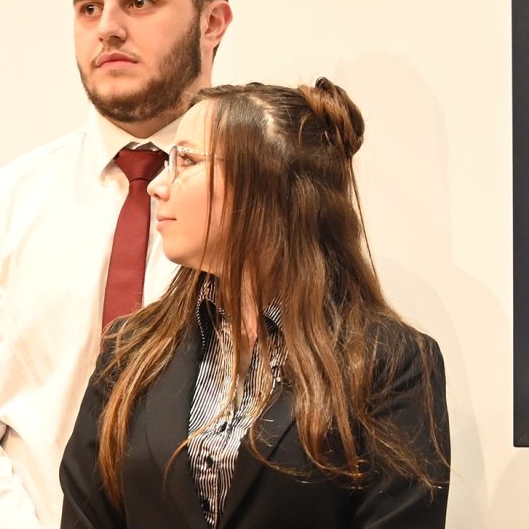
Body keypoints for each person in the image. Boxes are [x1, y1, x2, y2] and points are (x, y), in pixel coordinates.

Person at [0, 0, 234, 529]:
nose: (107, 28)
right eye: (89, 7)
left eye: (139, 2)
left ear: (212, 20)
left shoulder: (269, 207)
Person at [59, 79, 449, 528]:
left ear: (264, 181)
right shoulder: (131, 351)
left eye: (185, 161)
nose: (157, 187)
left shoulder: (389, 361)